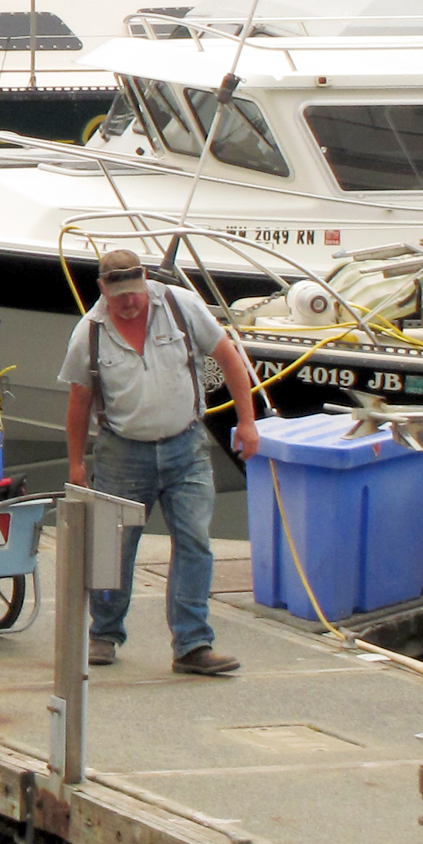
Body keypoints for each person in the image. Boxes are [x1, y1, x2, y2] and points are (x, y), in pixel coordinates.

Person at [61, 250, 261, 677]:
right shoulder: (88, 333)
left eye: (134, 294)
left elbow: (228, 357)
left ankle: (193, 644)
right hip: (121, 453)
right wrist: (76, 464)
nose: (129, 304)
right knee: (112, 546)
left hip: (186, 447)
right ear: (102, 291)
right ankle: (105, 632)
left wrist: (247, 421)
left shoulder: (180, 306)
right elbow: (79, 402)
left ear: (146, 281)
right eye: (119, 298)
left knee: (195, 541)